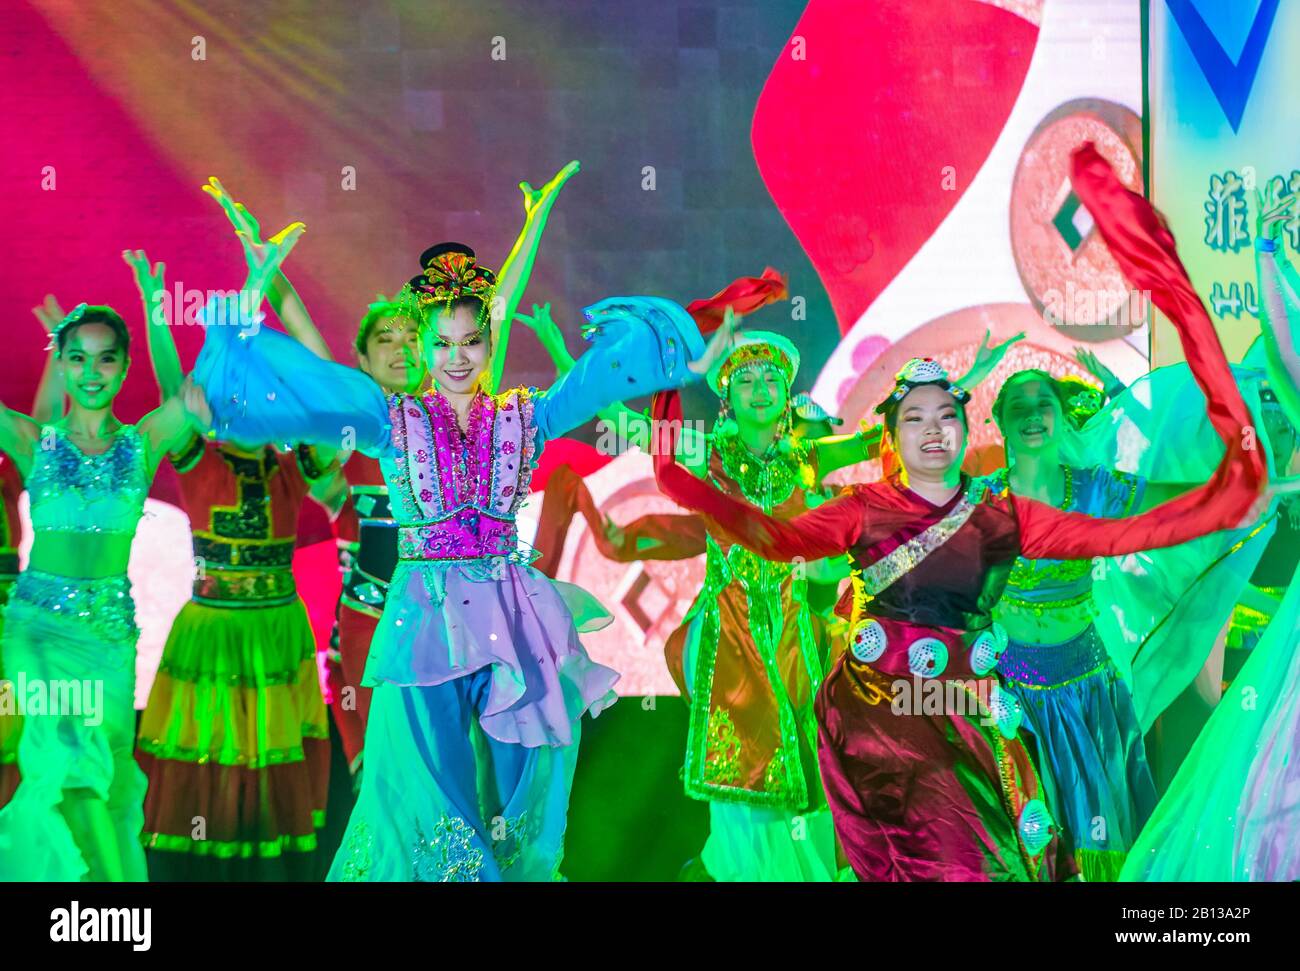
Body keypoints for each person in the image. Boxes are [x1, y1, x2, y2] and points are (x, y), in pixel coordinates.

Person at [649, 144, 1265, 881]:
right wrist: (667, 430)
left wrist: (1226, 487)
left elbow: (1138, 526)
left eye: (948, 414)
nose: (934, 427)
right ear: (894, 436)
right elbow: (770, 534)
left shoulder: (1000, 515)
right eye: (916, 417)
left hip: (973, 724)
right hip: (877, 735)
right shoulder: (861, 509)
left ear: (966, 430)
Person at [186, 228, 734, 879]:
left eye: (470, 341)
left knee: (520, 790)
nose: (455, 357)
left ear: (489, 344)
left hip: (512, 611)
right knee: (434, 795)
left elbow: (587, 385)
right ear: (421, 346)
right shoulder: (391, 418)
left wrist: (675, 356)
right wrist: (243, 313)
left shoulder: (523, 415)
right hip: (425, 617)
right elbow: (310, 387)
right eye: (442, 343)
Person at [0, 221, 295, 879]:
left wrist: (258, 280)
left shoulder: (142, 443)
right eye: (77, 356)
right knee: (72, 767)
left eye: (106, 357)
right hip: (38, 631)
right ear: (63, 362)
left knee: (104, 771)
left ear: (124, 365)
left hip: (111, 629)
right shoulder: (33, 441)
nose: (92, 370)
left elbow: (210, 369)